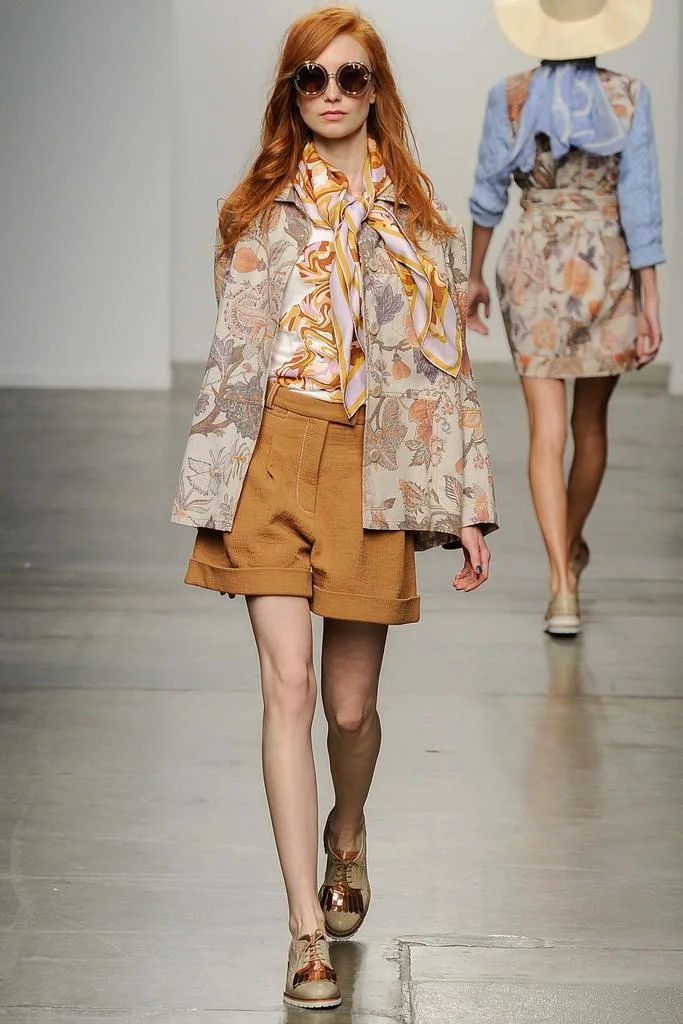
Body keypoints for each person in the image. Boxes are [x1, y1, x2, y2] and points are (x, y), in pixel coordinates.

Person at [171, 5, 497, 1010]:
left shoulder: (421, 226)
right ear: (290, 92)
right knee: (288, 684)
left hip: (372, 466)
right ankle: (303, 933)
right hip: (271, 454)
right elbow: (235, 357)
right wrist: (216, 473)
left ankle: (345, 831)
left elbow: (445, 373)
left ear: (375, 91)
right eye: (310, 78)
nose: (330, 94)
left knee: (349, 708)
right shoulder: (252, 211)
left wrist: (466, 502)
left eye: (350, 77)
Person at [468, 0, 664, 636]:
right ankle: (568, 559)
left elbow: (488, 192)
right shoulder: (629, 96)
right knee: (590, 425)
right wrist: (651, 299)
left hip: (533, 267)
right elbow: (640, 202)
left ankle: (561, 584)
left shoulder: (511, 95)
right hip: (606, 268)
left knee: (545, 433)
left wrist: (474, 274)